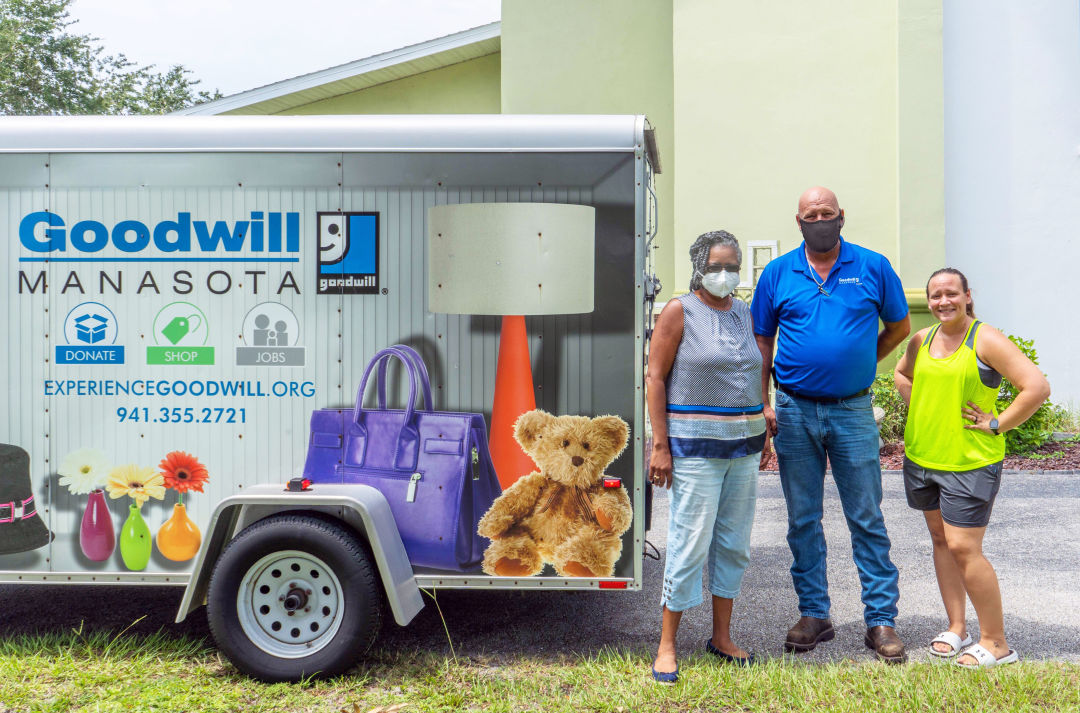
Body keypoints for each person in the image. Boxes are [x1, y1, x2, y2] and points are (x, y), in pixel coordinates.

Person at [750, 186, 911, 663]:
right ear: (797, 222)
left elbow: (899, 327)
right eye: (810, 214)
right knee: (802, 519)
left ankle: (880, 621)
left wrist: (864, 361)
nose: (819, 219)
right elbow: (762, 341)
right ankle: (814, 614)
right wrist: (764, 403)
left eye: (827, 213)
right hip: (795, 411)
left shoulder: (872, 266)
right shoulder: (779, 273)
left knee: (866, 517)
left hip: (852, 411)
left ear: (841, 217)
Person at [894, 268, 1049, 668]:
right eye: (935, 296)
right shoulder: (921, 340)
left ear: (967, 296)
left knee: (964, 547)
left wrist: (997, 423)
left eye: (950, 294)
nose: (943, 301)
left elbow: (1035, 386)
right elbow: (901, 374)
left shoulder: (986, 339)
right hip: (923, 458)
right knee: (942, 542)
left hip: (970, 462)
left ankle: (996, 642)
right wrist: (923, 406)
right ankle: (956, 626)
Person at [647, 230, 767, 684]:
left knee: (734, 544)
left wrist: (763, 415)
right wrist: (660, 445)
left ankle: (722, 637)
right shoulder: (680, 311)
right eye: (717, 265)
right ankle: (666, 645)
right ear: (699, 265)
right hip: (695, 447)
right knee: (689, 541)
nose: (725, 273)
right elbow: (655, 377)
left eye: (733, 266)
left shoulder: (741, 311)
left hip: (744, 446)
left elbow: (757, 369)